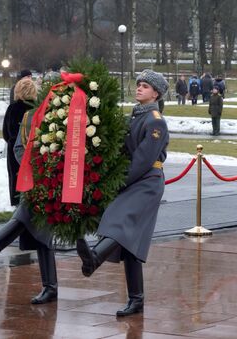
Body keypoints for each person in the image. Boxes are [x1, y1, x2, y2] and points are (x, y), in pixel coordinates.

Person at [76, 69, 169, 316]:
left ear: (156, 93)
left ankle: (95, 257)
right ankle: (136, 300)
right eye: (138, 84)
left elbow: (143, 158)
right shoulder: (136, 117)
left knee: (121, 222)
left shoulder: (155, 120)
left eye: (145, 86)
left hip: (147, 182)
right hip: (134, 181)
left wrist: (119, 181)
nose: (139, 88)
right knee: (130, 245)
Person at [0, 83, 57, 305]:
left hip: (50, 181)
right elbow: (18, 146)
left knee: (31, 221)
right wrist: (31, 169)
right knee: (31, 222)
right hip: (33, 178)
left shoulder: (53, 117)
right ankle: (49, 286)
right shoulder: (29, 117)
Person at [3, 79, 38, 206]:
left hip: (15, 151)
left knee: (17, 181)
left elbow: (6, 133)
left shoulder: (12, 108)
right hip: (34, 151)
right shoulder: (37, 108)